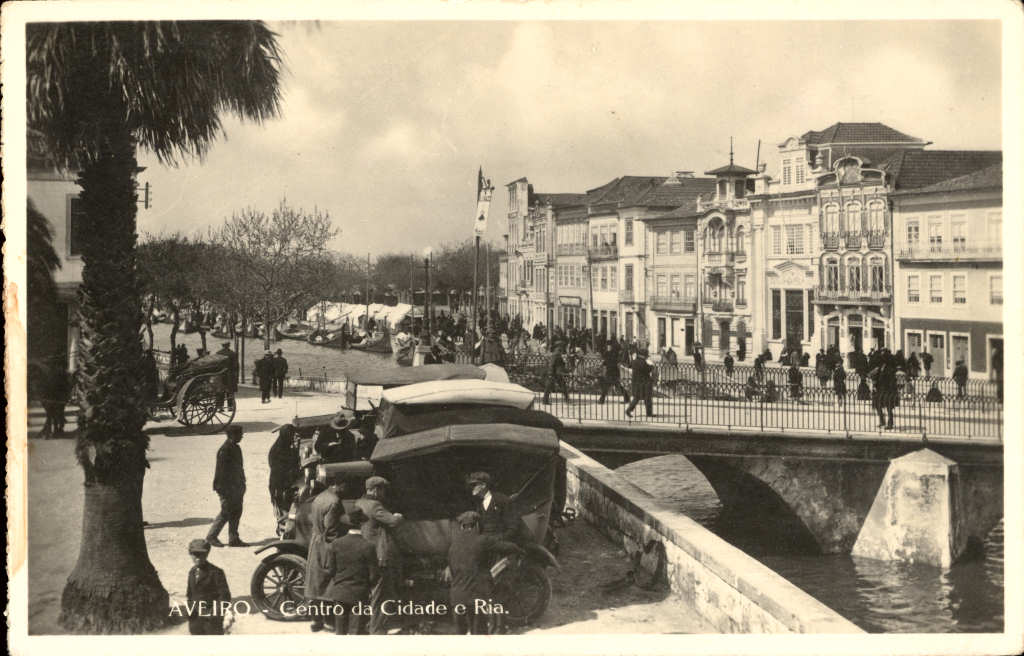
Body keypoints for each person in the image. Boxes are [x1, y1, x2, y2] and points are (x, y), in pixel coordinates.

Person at [447, 510, 524, 635]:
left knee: (460, 637)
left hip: (457, 598)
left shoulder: (453, 546)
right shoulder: (483, 540)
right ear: (477, 525)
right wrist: (520, 550)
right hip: (477, 596)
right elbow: (507, 547)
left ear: (462, 527)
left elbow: (452, 570)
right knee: (479, 635)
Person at [355, 476, 404, 634]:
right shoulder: (375, 505)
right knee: (379, 594)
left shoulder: (359, 502)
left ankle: (366, 625)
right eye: (383, 490)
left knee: (368, 593)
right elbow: (393, 521)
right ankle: (377, 630)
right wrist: (398, 516)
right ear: (376, 490)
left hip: (365, 553)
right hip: (379, 555)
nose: (384, 493)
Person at [326, 509, 379, 635]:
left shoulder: (336, 544)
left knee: (340, 632)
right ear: (362, 525)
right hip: (359, 594)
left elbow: (331, 570)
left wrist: (340, 581)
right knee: (356, 632)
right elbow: (374, 575)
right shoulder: (368, 546)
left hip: (340, 592)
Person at [305, 480, 345, 632]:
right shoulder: (334, 501)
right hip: (327, 545)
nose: (344, 489)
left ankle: (316, 620)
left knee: (315, 583)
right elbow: (331, 529)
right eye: (343, 485)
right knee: (329, 583)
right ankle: (330, 622)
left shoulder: (320, 497)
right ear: (336, 484)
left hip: (316, 542)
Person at [206, 425, 247, 547]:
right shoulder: (225, 450)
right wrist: (226, 490)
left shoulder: (235, 448)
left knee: (236, 511)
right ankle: (211, 536)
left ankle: (233, 538)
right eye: (240, 434)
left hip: (236, 486)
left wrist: (241, 484)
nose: (242, 436)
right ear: (232, 435)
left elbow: (239, 468)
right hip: (226, 488)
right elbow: (222, 473)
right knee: (226, 512)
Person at [185, 539, 231, 635]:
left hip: (212, 622)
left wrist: (214, 614)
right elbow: (190, 594)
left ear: (207, 554)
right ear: (190, 554)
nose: (198, 558)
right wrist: (191, 613)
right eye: (195, 554)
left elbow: (225, 597)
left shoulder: (216, 572)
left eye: (201, 554)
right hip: (196, 621)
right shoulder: (192, 572)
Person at [466, 471, 522, 543]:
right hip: (486, 542)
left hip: (503, 542)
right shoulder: (479, 505)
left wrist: (500, 538)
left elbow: (513, 526)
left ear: (483, 485)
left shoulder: (501, 499)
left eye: (474, 485)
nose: (472, 488)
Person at [268, 424, 300, 534]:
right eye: (292, 435)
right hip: (280, 488)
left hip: (283, 487)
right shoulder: (279, 451)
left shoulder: (283, 447)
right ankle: (283, 532)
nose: (293, 438)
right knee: (283, 513)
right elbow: (287, 468)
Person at [625, 348, 654, 418]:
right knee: (648, 398)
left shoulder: (634, 361)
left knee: (636, 398)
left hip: (636, 382)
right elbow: (647, 369)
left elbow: (630, 366)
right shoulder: (642, 362)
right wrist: (652, 366)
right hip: (644, 382)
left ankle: (629, 410)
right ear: (644, 355)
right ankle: (649, 413)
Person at [871, 355, 899, 430]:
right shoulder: (879, 368)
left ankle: (890, 424)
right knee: (877, 405)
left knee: (889, 407)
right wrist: (875, 384)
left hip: (887, 391)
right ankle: (882, 421)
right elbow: (875, 377)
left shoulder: (889, 369)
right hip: (880, 390)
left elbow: (892, 381)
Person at [215, 342, 238, 409]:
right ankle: (230, 406)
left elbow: (216, 365)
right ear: (229, 346)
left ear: (222, 346)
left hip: (220, 374)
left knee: (220, 390)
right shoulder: (232, 353)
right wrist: (236, 375)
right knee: (230, 391)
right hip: (229, 374)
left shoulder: (218, 353)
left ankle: (220, 406)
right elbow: (235, 365)